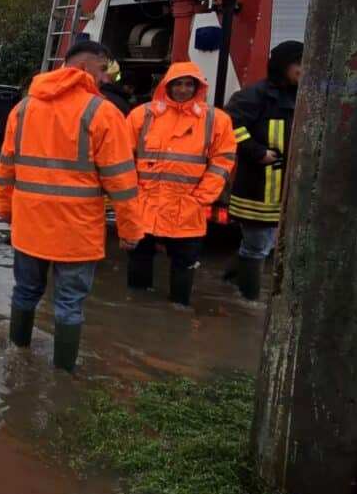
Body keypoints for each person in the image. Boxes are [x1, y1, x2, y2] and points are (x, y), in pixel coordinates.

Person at [0, 41, 144, 372]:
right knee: (69, 306)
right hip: (76, 233)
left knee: (24, 293)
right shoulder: (102, 112)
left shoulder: (23, 109)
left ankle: (16, 356)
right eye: (104, 69)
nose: (107, 78)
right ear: (85, 68)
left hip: (30, 226)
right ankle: (63, 378)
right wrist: (131, 229)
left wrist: (7, 212)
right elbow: (121, 181)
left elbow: (5, 169)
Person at [126, 63, 236, 304]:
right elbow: (124, 157)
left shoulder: (215, 120)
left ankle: (176, 311)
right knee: (138, 261)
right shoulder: (142, 115)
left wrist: (202, 197)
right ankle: (136, 310)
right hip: (144, 204)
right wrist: (131, 194)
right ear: (167, 85)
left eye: (188, 84)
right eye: (178, 83)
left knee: (184, 265)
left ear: (197, 87)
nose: (183, 89)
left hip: (187, 206)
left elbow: (223, 160)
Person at [224, 40, 303, 300]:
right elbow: (229, 124)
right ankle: (248, 302)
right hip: (258, 186)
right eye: (298, 63)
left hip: (285, 186)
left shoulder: (302, 94)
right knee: (258, 246)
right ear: (283, 64)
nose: (304, 68)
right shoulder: (255, 94)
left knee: (264, 244)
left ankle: (229, 281)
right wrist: (257, 152)